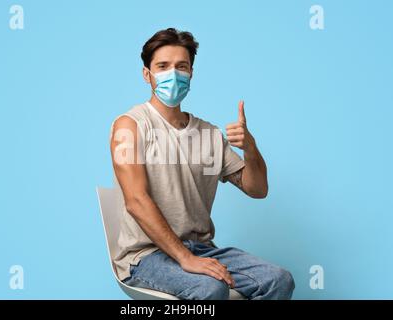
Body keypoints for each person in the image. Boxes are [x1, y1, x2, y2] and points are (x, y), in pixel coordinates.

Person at [109, 28, 295, 300]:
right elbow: (136, 200)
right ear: (147, 74)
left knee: (279, 280)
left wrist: (250, 147)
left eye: (181, 66)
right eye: (163, 66)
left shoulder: (208, 135)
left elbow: (257, 189)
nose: (172, 74)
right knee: (210, 288)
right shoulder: (130, 127)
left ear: (191, 73)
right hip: (146, 256)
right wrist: (185, 258)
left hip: (202, 248)